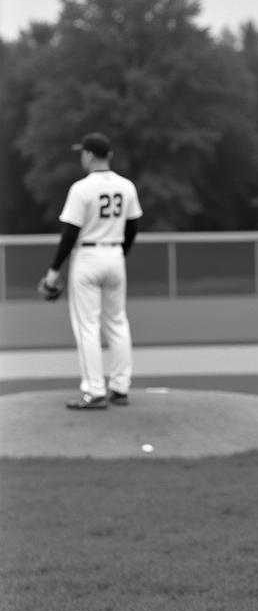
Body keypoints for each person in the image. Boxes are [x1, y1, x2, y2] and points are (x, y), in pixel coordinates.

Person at [40, 132, 143, 410]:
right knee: (118, 322)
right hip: (115, 255)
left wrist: (53, 270)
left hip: (87, 255)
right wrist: (120, 254)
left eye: (82, 153)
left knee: (88, 326)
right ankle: (120, 388)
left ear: (88, 154)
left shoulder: (81, 188)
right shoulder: (127, 186)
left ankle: (94, 391)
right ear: (108, 155)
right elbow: (132, 228)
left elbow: (70, 232)